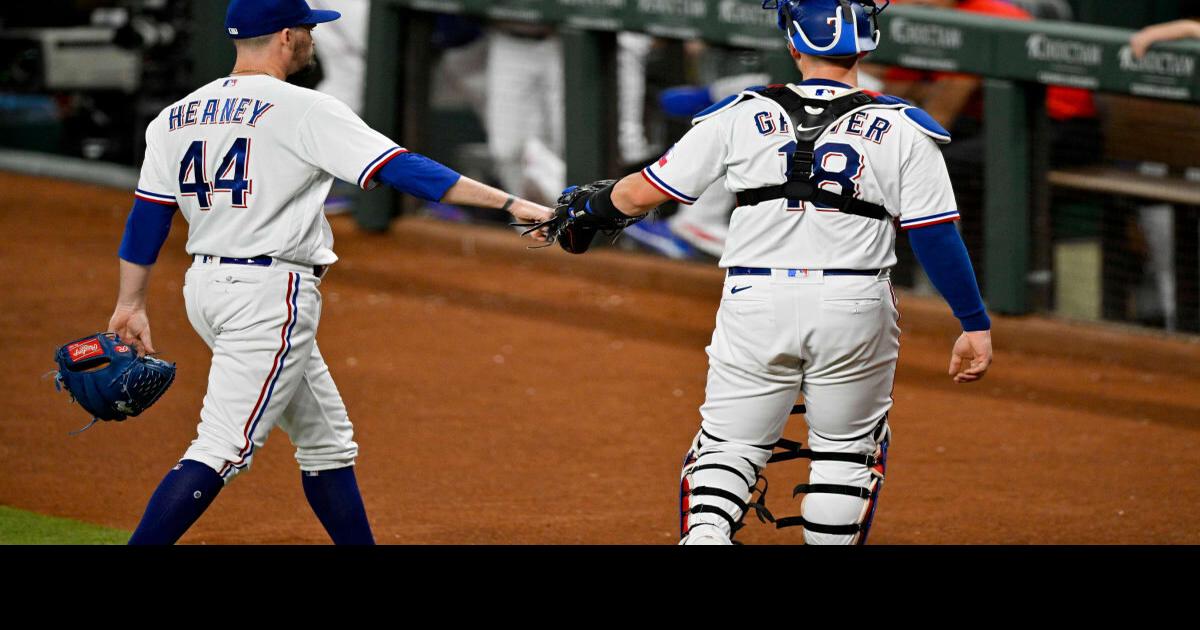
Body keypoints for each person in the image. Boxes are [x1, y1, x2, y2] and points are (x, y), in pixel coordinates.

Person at [543, 0, 993, 544]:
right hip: (854, 304)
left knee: (730, 445)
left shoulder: (737, 113)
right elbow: (936, 236)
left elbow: (641, 194)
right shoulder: (904, 128)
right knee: (845, 452)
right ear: (869, 44)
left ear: (793, 44)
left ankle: (706, 536)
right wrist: (973, 322)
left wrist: (591, 211)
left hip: (754, 299)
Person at [107, 0, 550, 545]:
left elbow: (147, 219)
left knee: (326, 442)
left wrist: (131, 303)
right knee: (222, 447)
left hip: (205, 290)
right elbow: (403, 169)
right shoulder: (304, 108)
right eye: (310, 28)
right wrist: (510, 204)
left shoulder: (176, 115)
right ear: (287, 36)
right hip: (269, 296)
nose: (315, 37)